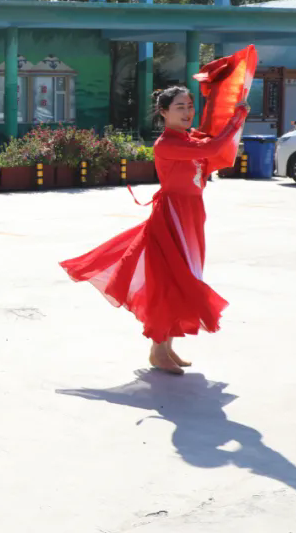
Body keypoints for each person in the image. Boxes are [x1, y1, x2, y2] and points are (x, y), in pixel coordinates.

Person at [60, 87, 249, 375]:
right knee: (171, 281)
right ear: (163, 112)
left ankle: (164, 349)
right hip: (172, 218)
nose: (187, 112)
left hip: (192, 216)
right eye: (179, 107)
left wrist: (231, 117)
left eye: (189, 106)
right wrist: (237, 118)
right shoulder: (166, 144)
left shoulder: (189, 139)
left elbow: (216, 151)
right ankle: (159, 350)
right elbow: (212, 149)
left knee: (182, 279)